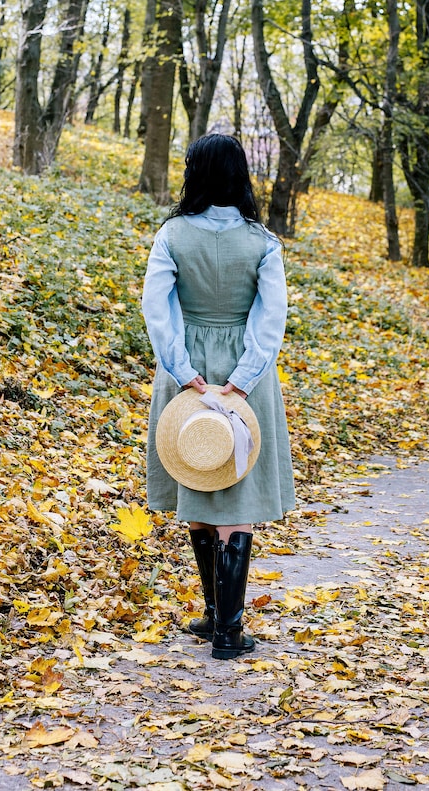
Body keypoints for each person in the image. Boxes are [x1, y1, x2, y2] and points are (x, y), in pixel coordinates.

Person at [142, 133, 295, 660]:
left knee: (197, 466)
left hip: (188, 368)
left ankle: (216, 618)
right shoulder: (262, 242)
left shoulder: (171, 235)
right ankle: (226, 628)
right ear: (240, 175)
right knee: (236, 481)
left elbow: (156, 310)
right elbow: (270, 319)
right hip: (241, 372)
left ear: (196, 174)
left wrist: (183, 371)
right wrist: (246, 377)